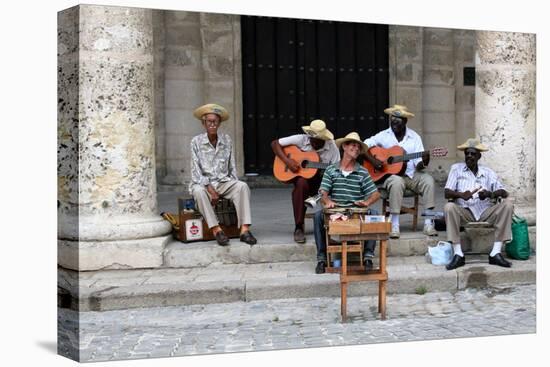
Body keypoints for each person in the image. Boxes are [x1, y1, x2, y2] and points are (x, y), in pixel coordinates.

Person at [363, 104, 436, 238]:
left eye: (398, 120)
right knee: (396, 182)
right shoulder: (383, 135)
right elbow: (364, 146)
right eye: (392, 120)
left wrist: (424, 161)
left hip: (411, 175)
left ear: (405, 121)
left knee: (429, 180)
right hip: (391, 177)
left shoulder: (415, 137)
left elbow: (418, 165)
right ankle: (395, 224)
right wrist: (373, 161)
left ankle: (428, 222)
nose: (394, 123)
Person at [189, 103, 257, 246]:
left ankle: (244, 230)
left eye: (215, 121)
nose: (212, 124)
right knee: (198, 192)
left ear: (219, 123)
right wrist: (210, 188)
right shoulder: (196, 142)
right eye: (209, 121)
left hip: (223, 182)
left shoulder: (226, 140)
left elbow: (232, 167)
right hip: (204, 185)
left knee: (242, 186)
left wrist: (233, 186)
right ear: (204, 123)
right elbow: (196, 171)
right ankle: (217, 230)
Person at [313, 132, 381, 274]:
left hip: (356, 211)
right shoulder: (331, 169)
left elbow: (376, 194)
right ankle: (322, 259)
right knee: (318, 216)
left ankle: (368, 257)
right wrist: (327, 200)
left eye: (358, 147)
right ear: (344, 146)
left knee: (374, 214)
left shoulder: (362, 172)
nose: (356, 149)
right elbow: (322, 192)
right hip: (336, 211)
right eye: (353, 145)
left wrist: (366, 202)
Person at [444, 138, 513, 270]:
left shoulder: (488, 172)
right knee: (449, 207)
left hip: (485, 212)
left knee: (508, 205)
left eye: (473, 154)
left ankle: (495, 253)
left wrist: (489, 194)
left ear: (479, 156)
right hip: (465, 212)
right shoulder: (456, 169)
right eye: (467, 153)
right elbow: (447, 193)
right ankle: (458, 254)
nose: (469, 156)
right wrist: (461, 195)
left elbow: (504, 192)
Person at [271, 119, 340, 243]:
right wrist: (288, 161)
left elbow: (337, 171)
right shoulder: (301, 139)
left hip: (322, 181)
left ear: (324, 139)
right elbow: (275, 143)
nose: (314, 143)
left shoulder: (332, 147)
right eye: (312, 140)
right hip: (304, 181)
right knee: (301, 184)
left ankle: (333, 225)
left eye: (318, 141)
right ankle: (299, 227)